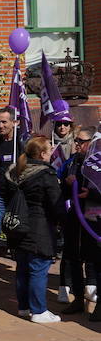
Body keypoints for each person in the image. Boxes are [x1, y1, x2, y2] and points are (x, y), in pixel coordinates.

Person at [5, 136, 61, 323]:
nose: (52, 152)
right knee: (38, 267)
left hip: (18, 225)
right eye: (50, 149)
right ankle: (39, 310)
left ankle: (24, 306)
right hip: (40, 226)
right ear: (43, 154)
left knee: (22, 268)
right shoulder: (46, 174)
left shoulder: (16, 170)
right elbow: (55, 203)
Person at [58, 127, 100, 317]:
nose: (77, 145)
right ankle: (77, 298)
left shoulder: (98, 163)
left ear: (92, 142)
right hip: (75, 214)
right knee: (72, 255)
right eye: (76, 141)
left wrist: (90, 193)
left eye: (81, 142)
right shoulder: (72, 162)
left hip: (94, 214)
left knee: (95, 259)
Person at [0, 107, 26, 278]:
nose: (0, 125)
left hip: (17, 196)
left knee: (17, 231)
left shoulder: (22, 143)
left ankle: (21, 267)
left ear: (15, 123)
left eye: (4, 122)